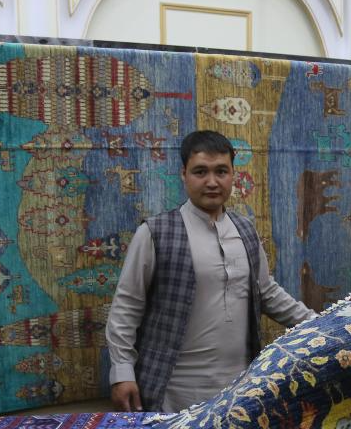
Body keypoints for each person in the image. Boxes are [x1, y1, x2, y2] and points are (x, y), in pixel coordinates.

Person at [105, 130, 315, 413]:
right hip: (172, 391)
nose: (212, 182)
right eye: (200, 172)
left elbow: (266, 292)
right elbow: (126, 306)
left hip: (241, 388)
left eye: (221, 171)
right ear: (184, 174)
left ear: (233, 175)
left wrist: (319, 324)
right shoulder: (155, 233)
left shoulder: (245, 230)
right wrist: (122, 373)